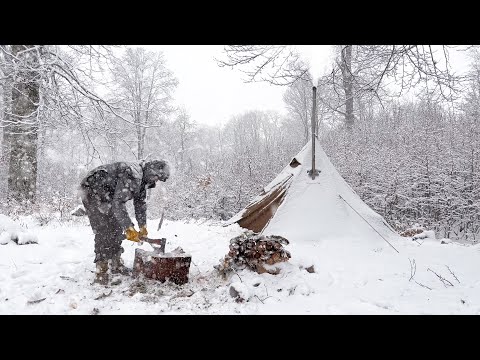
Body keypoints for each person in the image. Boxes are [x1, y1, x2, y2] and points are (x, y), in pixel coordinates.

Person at [79, 159, 170, 285]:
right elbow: (118, 203)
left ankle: (116, 264)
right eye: (156, 177)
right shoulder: (133, 174)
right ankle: (101, 271)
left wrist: (142, 226)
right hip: (92, 189)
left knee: (116, 226)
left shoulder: (142, 182)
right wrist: (129, 228)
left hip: (107, 194)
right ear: (151, 171)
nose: (156, 181)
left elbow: (140, 205)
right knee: (104, 228)